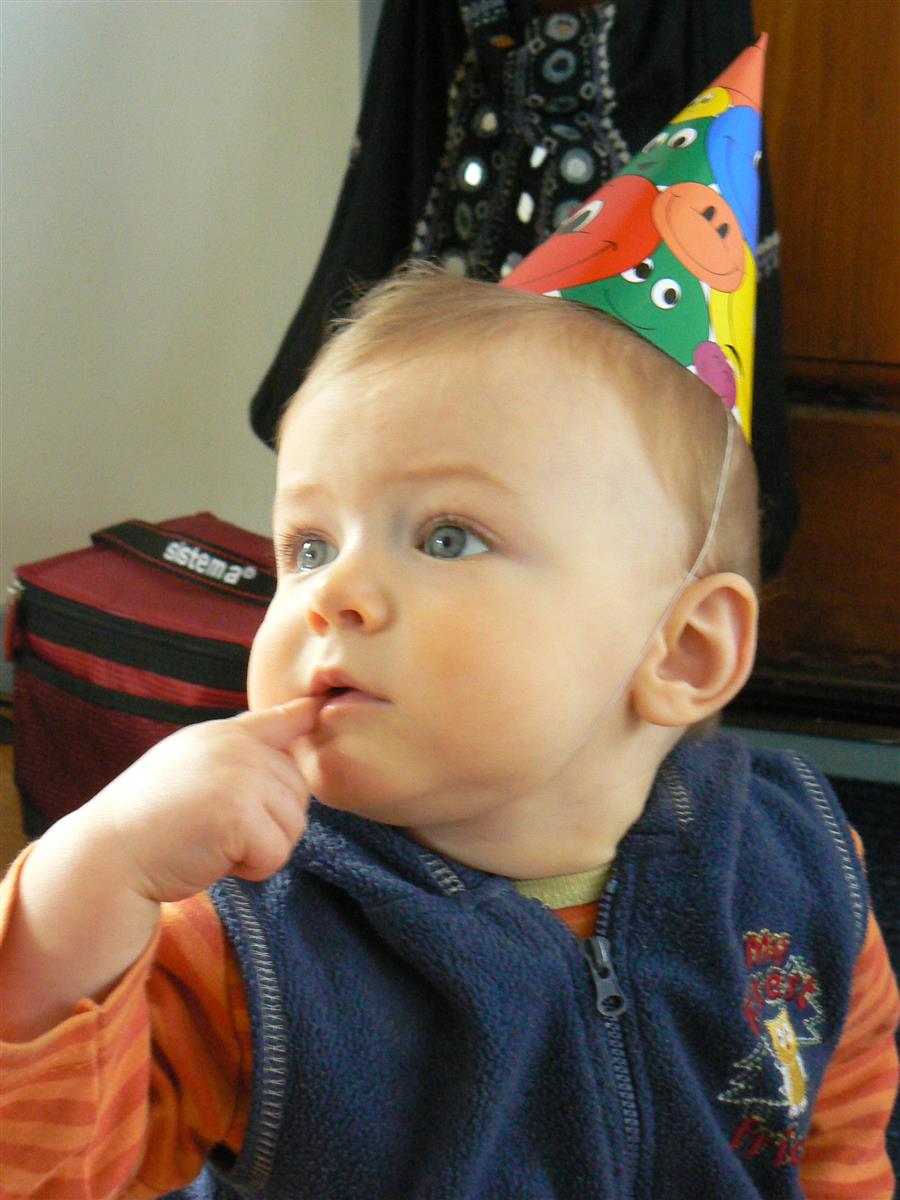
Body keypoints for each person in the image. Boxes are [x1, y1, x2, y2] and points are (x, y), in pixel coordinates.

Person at [1, 265, 897, 1200]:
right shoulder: (246, 941)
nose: (332, 594)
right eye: (308, 547)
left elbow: (837, 1128)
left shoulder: (798, 865)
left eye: (447, 538)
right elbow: (37, 1171)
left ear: (683, 652)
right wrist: (90, 877)